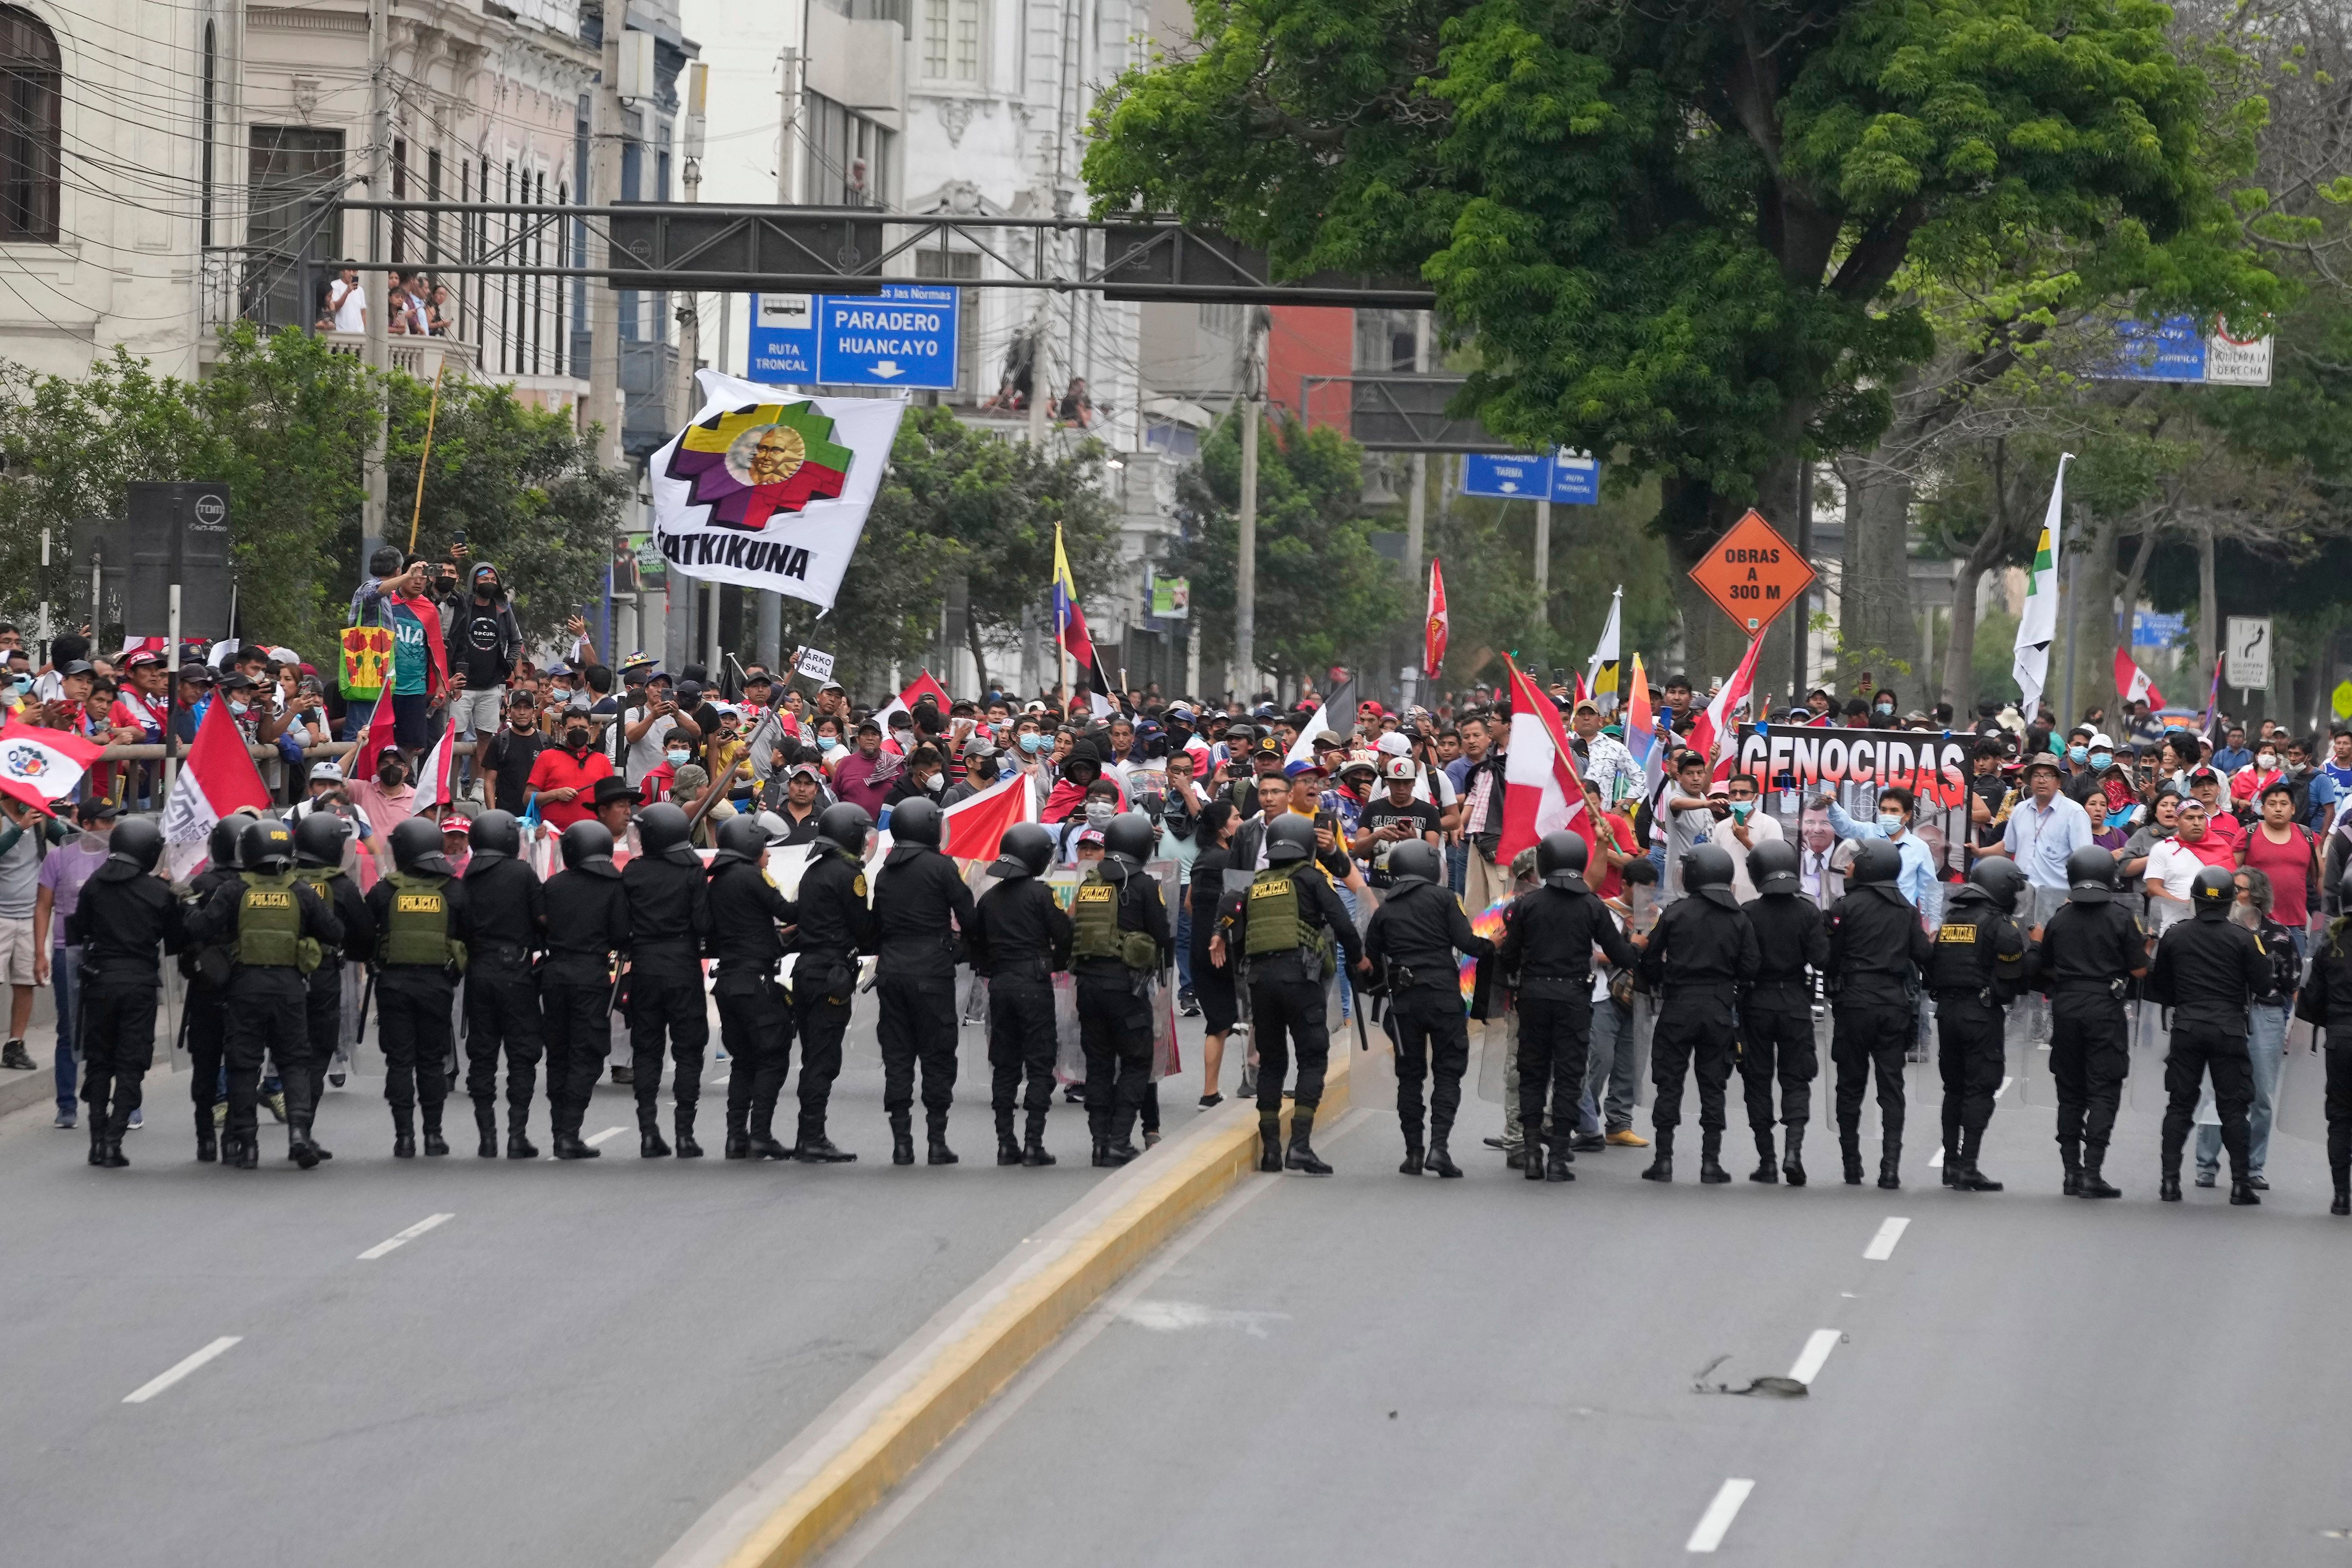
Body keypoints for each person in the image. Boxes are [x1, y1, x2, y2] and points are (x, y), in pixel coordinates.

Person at [187, 818, 343, 1169]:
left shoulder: (235, 889)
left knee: (244, 1065)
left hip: (245, 988)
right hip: (290, 989)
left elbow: (200, 927)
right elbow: (335, 931)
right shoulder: (301, 890)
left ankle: (248, 1143)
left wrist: (189, 904)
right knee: (295, 1062)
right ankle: (299, 1133)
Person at [1216, 812, 1362, 1175]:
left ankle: (1270, 1152)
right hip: (1301, 980)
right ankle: (1299, 1146)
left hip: (1260, 984)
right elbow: (1343, 923)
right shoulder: (1311, 878)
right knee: (1313, 1058)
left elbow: (1236, 923)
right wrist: (1360, 962)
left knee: (1272, 1062)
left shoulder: (1256, 885)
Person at [1491, 831, 1634, 1184]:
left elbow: (1508, 956)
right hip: (1574, 999)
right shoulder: (1592, 905)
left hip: (1535, 997)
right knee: (1569, 1076)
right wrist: (1639, 944)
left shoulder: (1526, 905)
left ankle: (1531, 1156)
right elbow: (1621, 956)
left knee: (1532, 1074)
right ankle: (1557, 1156)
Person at [2029, 846, 2151, 1198]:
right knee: (2104, 1089)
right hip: (2105, 1009)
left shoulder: (2059, 918)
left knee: (2070, 1093)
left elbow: (2045, 967)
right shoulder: (2122, 916)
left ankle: (2071, 1172)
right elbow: (2140, 969)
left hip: (2066, 1008)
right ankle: (2092, 1172)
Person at [2146, 864, 2270, 1206]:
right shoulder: (2244, 938)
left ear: (2195, 900)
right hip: (2229, 1027)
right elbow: (2263, 985)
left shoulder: (2176, 934)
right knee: (2233, 1108)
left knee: (2180, 1105)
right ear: (2232, 900)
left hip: (2187, 1025)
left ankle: (2170, 1182)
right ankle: (2241, 1184)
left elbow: (2160, 987)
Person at [65, 817, 185, 1169]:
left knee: (100, 1061)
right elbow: (176, 941)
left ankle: (96, 1140)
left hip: (99, 982)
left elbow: (78, 930)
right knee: (131, 1063)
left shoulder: (94, 884)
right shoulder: (157, 892)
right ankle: (114, 1142)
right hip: (139, 985)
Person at [870, 796, 977, 1166]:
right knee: (937, 1055)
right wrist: (966, 947)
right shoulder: (941, 867)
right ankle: (936, 1139)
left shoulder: (885, 871)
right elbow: (968, 913)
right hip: (932, 972)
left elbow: (876, 926)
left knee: (898, 1057)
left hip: (892, 972)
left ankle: (901, 1141)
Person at [1826, 838, 1935, 1189]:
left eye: (1855, 862)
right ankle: (1890, 1168)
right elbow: (1922, 954)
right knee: (1892, 1087)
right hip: (1892, 1004)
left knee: (1850, 1087)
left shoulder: (1846, 906)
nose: (1849, 867)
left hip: (1854, 1004)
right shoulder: (1906, 909)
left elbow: (1829, 957)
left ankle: (1851, 1166)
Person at [362, 817, 472, 1157]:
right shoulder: (453, 890)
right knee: (430, 1061)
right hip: (437, 985)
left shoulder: (384, 890)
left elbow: (366, 936)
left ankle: (404, 1137)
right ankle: (434, 1135)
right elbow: (469, 935)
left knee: (399, 1062)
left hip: (393, 986)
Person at [965, 822, 1073, 1167]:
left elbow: (976, 946)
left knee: (1005, 1064)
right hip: (1034, 984)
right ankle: (1033, 1144)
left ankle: (1005, 1143)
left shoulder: (989, 898)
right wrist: (1053, 964)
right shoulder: (1042, 894)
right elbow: (1065, 935)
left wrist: (992, 968)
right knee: (1041, 1063)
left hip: (1000, 986)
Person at [1927, 855, 2032, 1192]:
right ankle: (1968, 1165)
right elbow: (2011, 980)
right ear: (2002, 887)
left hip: (1947, 1013)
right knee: (1980, 1087)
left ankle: (1949, 1165)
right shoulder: (2001, 925)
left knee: (1954, 1088)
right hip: (1980, 1014)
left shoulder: (1951, 919)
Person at [2197, 868, 2300, 1192]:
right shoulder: (2220, 931)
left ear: (2256, 894)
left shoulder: (2281, 935)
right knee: (2217, 1091)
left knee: (2262, 1096)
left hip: (2266, 1015)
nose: (2233, 895)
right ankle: (2206, 1165)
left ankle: (2255, 1166)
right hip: (2226, 1012)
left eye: (2239, 889)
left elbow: (2292, 981)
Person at [620, 803, 714, 1157]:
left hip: (644, 967)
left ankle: (648, 1132)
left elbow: (618, 925)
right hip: (683, 967)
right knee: (689, 1050)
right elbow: (704, 923)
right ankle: (685, 1134)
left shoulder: (633, 872)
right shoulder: (692, 870)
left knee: (646, 1050)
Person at [705, 813, 798, 1161]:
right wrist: (819, 899)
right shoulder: (752, 875)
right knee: (773, 1056)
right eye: (764, 848)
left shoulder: (719, 881)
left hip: (729, 981)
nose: (769, 855)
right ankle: (760, 1134)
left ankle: (736, 1138)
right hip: (754, 981)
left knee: (743, 1061)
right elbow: (787, 910)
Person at [788, 803, 878, 1162]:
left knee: (813, 1054)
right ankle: (812, 1136)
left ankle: (806, 1134)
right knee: (823, 1059)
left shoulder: (814, 871)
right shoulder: (849, 875)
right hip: (831, 974)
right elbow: (863, 929)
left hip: (807, 971)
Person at [1739, 839, 1829, 1184]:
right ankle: (1794, 1150)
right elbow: (1821, 959)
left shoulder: (1747, 912)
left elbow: (1744, 964)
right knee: (1796, 1079)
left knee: (1757, 1079)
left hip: (1757, 1002)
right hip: (1795, 1001)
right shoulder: (1808, 912)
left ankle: (1767, 1160)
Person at [540, 821, 631, 1159]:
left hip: (554, 974)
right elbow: (622, 935)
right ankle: (569, 1131)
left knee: (559, 1054)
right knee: (588, 1054)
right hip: (591, 975)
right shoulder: (614, 887)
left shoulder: (553, 884)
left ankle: (558, 1131)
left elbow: (541, 925)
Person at [459, 811, 545, 1158]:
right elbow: (543, 917)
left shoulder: (468, 876)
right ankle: (516, 1134)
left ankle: (487, 1137)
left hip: (479, 970)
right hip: (517, 972)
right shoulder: (522, 872)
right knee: (522, 1055)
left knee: (482, 1056)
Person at [289, 811, 374, 1161]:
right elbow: (364, 936)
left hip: (277, 978)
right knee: (316, 1054)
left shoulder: (280, 878)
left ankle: (243, 1139)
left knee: (285, 1054)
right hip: (323, 976)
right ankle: (301, 1129)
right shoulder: (340, 885)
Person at [33, 800, 113, 1129]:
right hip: (69, 952)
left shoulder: (117, 858)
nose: (112, 827)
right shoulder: (59, 857)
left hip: (108, 952)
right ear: (90, 824)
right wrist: (41, 952)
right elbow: (43, 906)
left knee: (111, 1030)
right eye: (107, 822)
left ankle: (121, 1103)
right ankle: (66, 1105)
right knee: (69, 1031)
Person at [2295, 868, 2352, 1213]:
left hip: (2341, 1038)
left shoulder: (2330, 944)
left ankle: (2341, 1194)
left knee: (2341, 1116)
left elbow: (2310, 1000)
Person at [1185, 801, 1242, 1106]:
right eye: (1236, 817)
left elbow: (1189, 905)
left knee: (1217, 1023)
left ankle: (1210, 1091)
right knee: (1248, 1014)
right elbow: (1237, 903)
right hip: (1224, 948)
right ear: (1222, 828)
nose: (1241, 820)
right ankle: (1253, 1082)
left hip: (1198, 948)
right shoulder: (1230, 860)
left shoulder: (1200, 860)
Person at [525, 704, 614, 831]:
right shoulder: (547, 757)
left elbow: (611, 802)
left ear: (590, 729)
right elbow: (528, 797)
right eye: (572, 728)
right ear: (563, 730)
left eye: (583, 727)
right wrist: (556, 794)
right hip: (552, 834)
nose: (578, 731)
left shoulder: (602, 760)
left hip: (592, 834)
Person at [480, 689, 549, 815]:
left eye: (527, 708)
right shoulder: (499, 742)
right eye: (517, 708)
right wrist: (494, 815)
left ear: (534, 711)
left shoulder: (545, 741)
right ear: (509, 711)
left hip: (538, 815)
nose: (522, 713)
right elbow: (489, 782)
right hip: (506, 815)